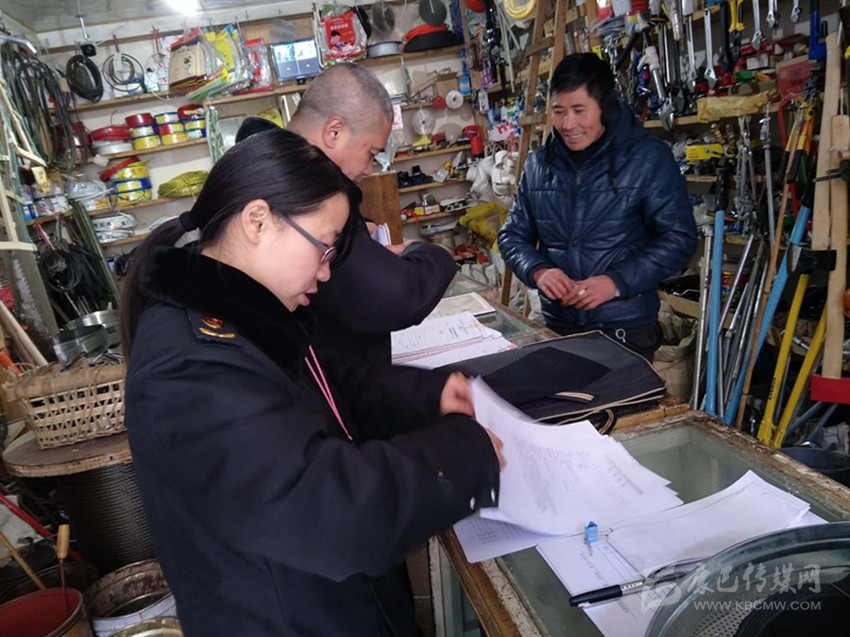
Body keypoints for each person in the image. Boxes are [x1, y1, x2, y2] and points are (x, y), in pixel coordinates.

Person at [120, 128, 503, 636]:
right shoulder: (190, 366)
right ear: (257, 221)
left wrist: (425, 395)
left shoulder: (245, 315)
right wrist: (462, 454)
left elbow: (326, 390)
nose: (325, 273)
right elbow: (331, 512)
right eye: (324, 247)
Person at [236, 63, 457, 366]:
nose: (369, 169)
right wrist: (426, 252)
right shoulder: (300, 193)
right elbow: (396, 298)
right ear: (334, 132)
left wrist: (360, 238)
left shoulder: (261, 169)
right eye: (370, 153)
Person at [497, 53, 697, 361]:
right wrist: (539, 271)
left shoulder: (648, 159)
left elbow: (679, 239)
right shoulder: (539, 165)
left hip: (626, 330)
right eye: (559, 111)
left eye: (579, 110)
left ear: (604, 106)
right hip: (560, 327)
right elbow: (512, 236)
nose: (568, 124)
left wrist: (616, 282)